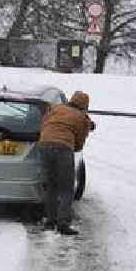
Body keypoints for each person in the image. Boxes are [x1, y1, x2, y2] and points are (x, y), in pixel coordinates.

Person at [38, 91, 93, 236]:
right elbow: (80, 142)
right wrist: (73, 147)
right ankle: (63, 224)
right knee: (66, 188)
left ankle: (50, 221)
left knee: (51, 185)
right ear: (84, 105)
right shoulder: (81, 118)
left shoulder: (56, 108)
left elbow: (44, 123)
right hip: (63, 148)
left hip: (44, 145)